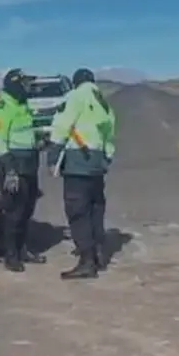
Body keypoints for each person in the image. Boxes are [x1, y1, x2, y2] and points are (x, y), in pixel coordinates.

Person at [46, 68, 116, 279]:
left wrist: (52, 157)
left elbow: (61, 126)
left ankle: (87, 262)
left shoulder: (75, 96)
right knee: (96, 209)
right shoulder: (103, 101)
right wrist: (106, 158)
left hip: (78, 160)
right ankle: (98, 255)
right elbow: (109, 134)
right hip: (97, 162)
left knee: (78, 211)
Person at [0, 69, 46, 272]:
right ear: (14, 85)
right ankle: (11, 255)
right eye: (23, 84)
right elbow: (0, 142)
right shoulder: (2, 108)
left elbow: (26, 132)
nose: (27, 88)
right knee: (15, 212)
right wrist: (10, 170)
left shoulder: (23, 104)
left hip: (29, 163)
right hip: (14, 164)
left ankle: (23, 249)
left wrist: (38, 142)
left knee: (27, 210)